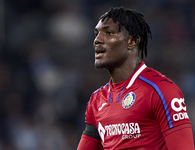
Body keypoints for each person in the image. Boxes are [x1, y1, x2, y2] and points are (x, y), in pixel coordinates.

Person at [77, 7, 194, 150]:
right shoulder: (96, 100)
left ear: (132, 41)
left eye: (108, 33)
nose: (97, 40)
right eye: (96, 34)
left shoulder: (161, 90)